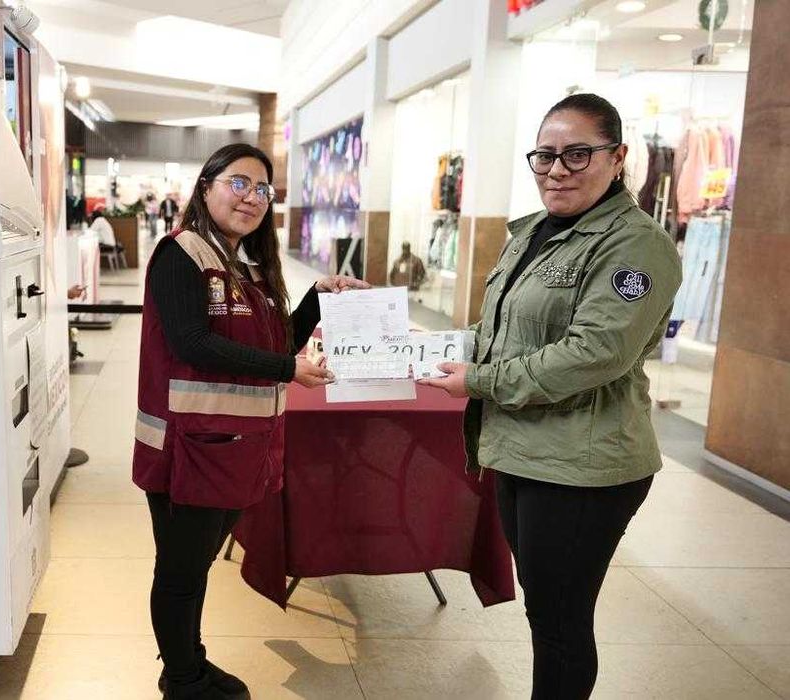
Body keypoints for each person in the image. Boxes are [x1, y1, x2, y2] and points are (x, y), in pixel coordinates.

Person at [420, 94, 682, 699]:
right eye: (544, 156)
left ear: (617, 158)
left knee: (561, 622)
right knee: (546, 612)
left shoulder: (634, 245)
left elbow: (595, 353)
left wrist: (479, 381)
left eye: (577, 155)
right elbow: (503, 328)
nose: (556, 170)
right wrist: (431, 346)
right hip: (522, 449)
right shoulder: (535, 231)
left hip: (584, 467)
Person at [134, 144, 368, 699]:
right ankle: (183, 678)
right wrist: (289, 369)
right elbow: (194, 343)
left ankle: (188, 662)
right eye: (238, 183)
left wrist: (317, 297)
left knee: (196, 568)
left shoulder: (248, 265)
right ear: (207, 185)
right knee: (181, 572)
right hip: (189, 448)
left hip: (237, 447)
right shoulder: (181, 254)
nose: (251, 198)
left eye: (263, 189)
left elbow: (276, 340)